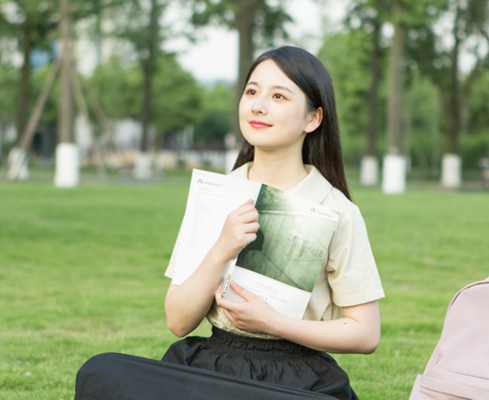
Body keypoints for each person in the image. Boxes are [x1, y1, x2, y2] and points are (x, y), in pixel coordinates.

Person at [75, 46, 384, 400]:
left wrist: (272, 323)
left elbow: (365, 334)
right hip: (212, 366)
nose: (258, 106)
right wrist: (221, 249)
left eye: (278, 96)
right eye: (252, 91)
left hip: (297, 379)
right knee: (102, 371)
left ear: (312, 119)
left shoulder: (337, 209)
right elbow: (177, 321)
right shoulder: (215, 194)